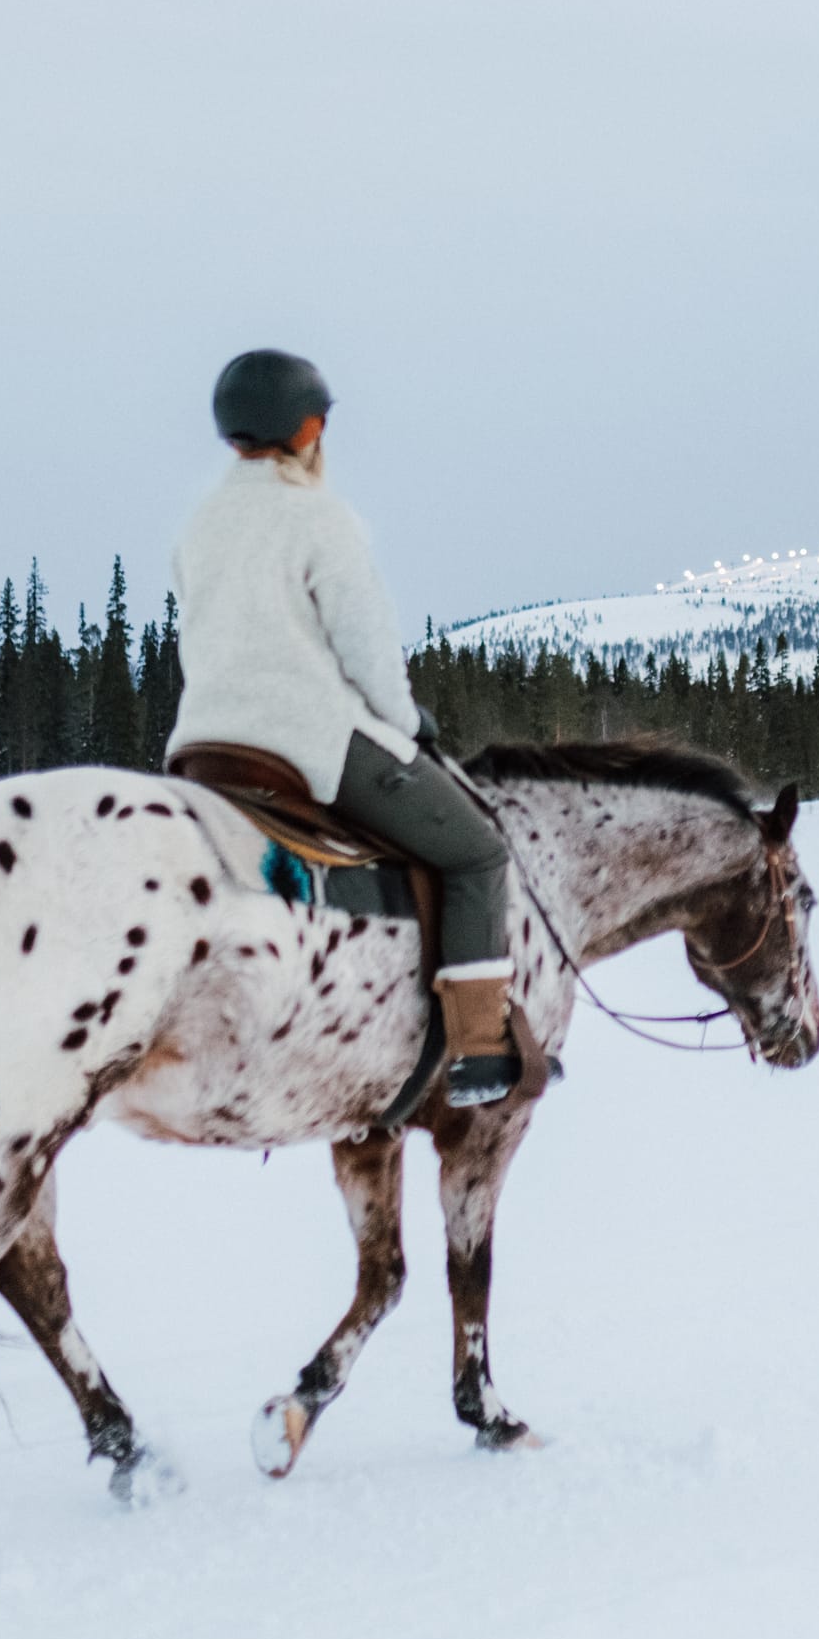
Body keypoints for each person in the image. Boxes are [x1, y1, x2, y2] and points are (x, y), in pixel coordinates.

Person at [168, 348, 529, 1093]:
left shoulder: (200, 525)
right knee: (476, 853)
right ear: (309, 429)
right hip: (304, 743)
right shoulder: (319, 518)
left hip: (202, 745)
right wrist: (407, 722)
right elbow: (367, 654)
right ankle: (480, 1049)